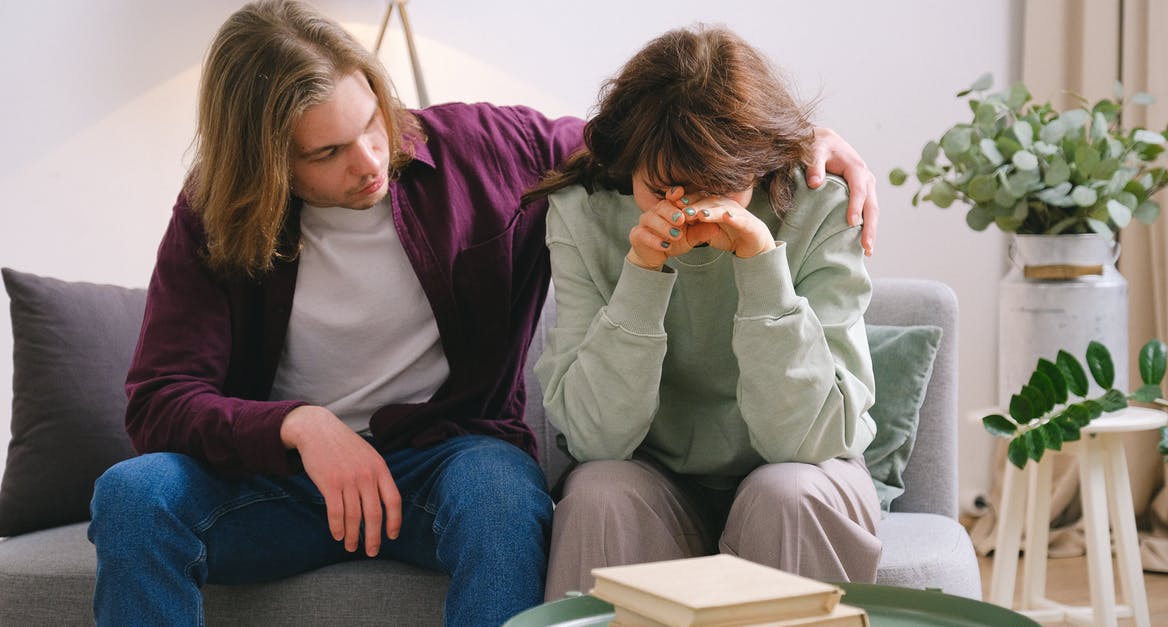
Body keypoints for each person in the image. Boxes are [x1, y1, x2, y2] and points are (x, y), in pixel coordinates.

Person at [86, 2, 881, 625]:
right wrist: (298, 426)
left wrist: (790, 140)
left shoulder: (486, 149)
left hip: (445, 464)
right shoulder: (216, 216)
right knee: (133, 494)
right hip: (286, 480)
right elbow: (158, 400)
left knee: (502, 494)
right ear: (264, 160)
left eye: (371, 124)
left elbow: (650, 142)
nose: (369, 162)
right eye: (325, 153)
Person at [527, 25, 882, 601]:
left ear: (757, 165)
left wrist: (762, 267)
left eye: (719, 187)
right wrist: (641, 275)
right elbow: (595, 438)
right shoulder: (581, 210)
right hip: (654, 477)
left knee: (787, 494)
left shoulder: (822, 203)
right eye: (663, 188)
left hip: (806, 471)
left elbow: (811, 441)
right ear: (629, 162)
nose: (689, 209)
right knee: (599, 493)